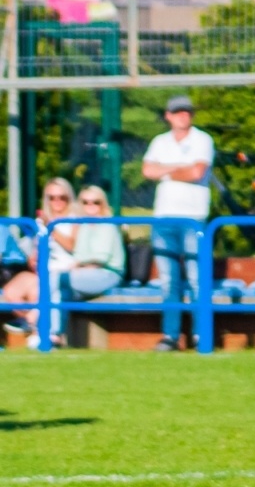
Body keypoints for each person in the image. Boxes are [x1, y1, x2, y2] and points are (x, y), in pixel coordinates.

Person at [142, 95, 215, 351]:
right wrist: (180, 168)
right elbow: (147, 171)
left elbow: (197, 173)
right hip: (163, 219)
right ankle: (170, 336)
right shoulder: (159, 141)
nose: (183, 116)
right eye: (178, 112)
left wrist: (165, 169)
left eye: (187, 112)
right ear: (168, 116)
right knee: (168, 281)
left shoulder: (203, 139)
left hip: (193, 218)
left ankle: (200, 335)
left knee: (197, 280)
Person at [1, 177, 80, 342]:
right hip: (44, 269)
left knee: (39, 290)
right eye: (52, 197)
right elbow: (38, 249)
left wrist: (50, 227)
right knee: (11, 291)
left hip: (65, 269)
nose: (57, 202)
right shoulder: (40, 222)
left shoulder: (74, 218)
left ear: (69, 198)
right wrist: (33, 259)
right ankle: (32, 323)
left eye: (62, 197)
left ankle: (40, 330)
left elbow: (72, 246)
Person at [50, 185, 125, 337]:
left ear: (102, 204)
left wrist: (77, 267)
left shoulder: (107, 225)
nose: (90, 206)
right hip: (86, 273)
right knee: (58, 292)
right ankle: (53, 335)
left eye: (95, 202)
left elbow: (100, 260)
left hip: (108, 274)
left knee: (58, 279)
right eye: (85, 202)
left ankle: (34, 320)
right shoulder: (83, 225)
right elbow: (79, 256)